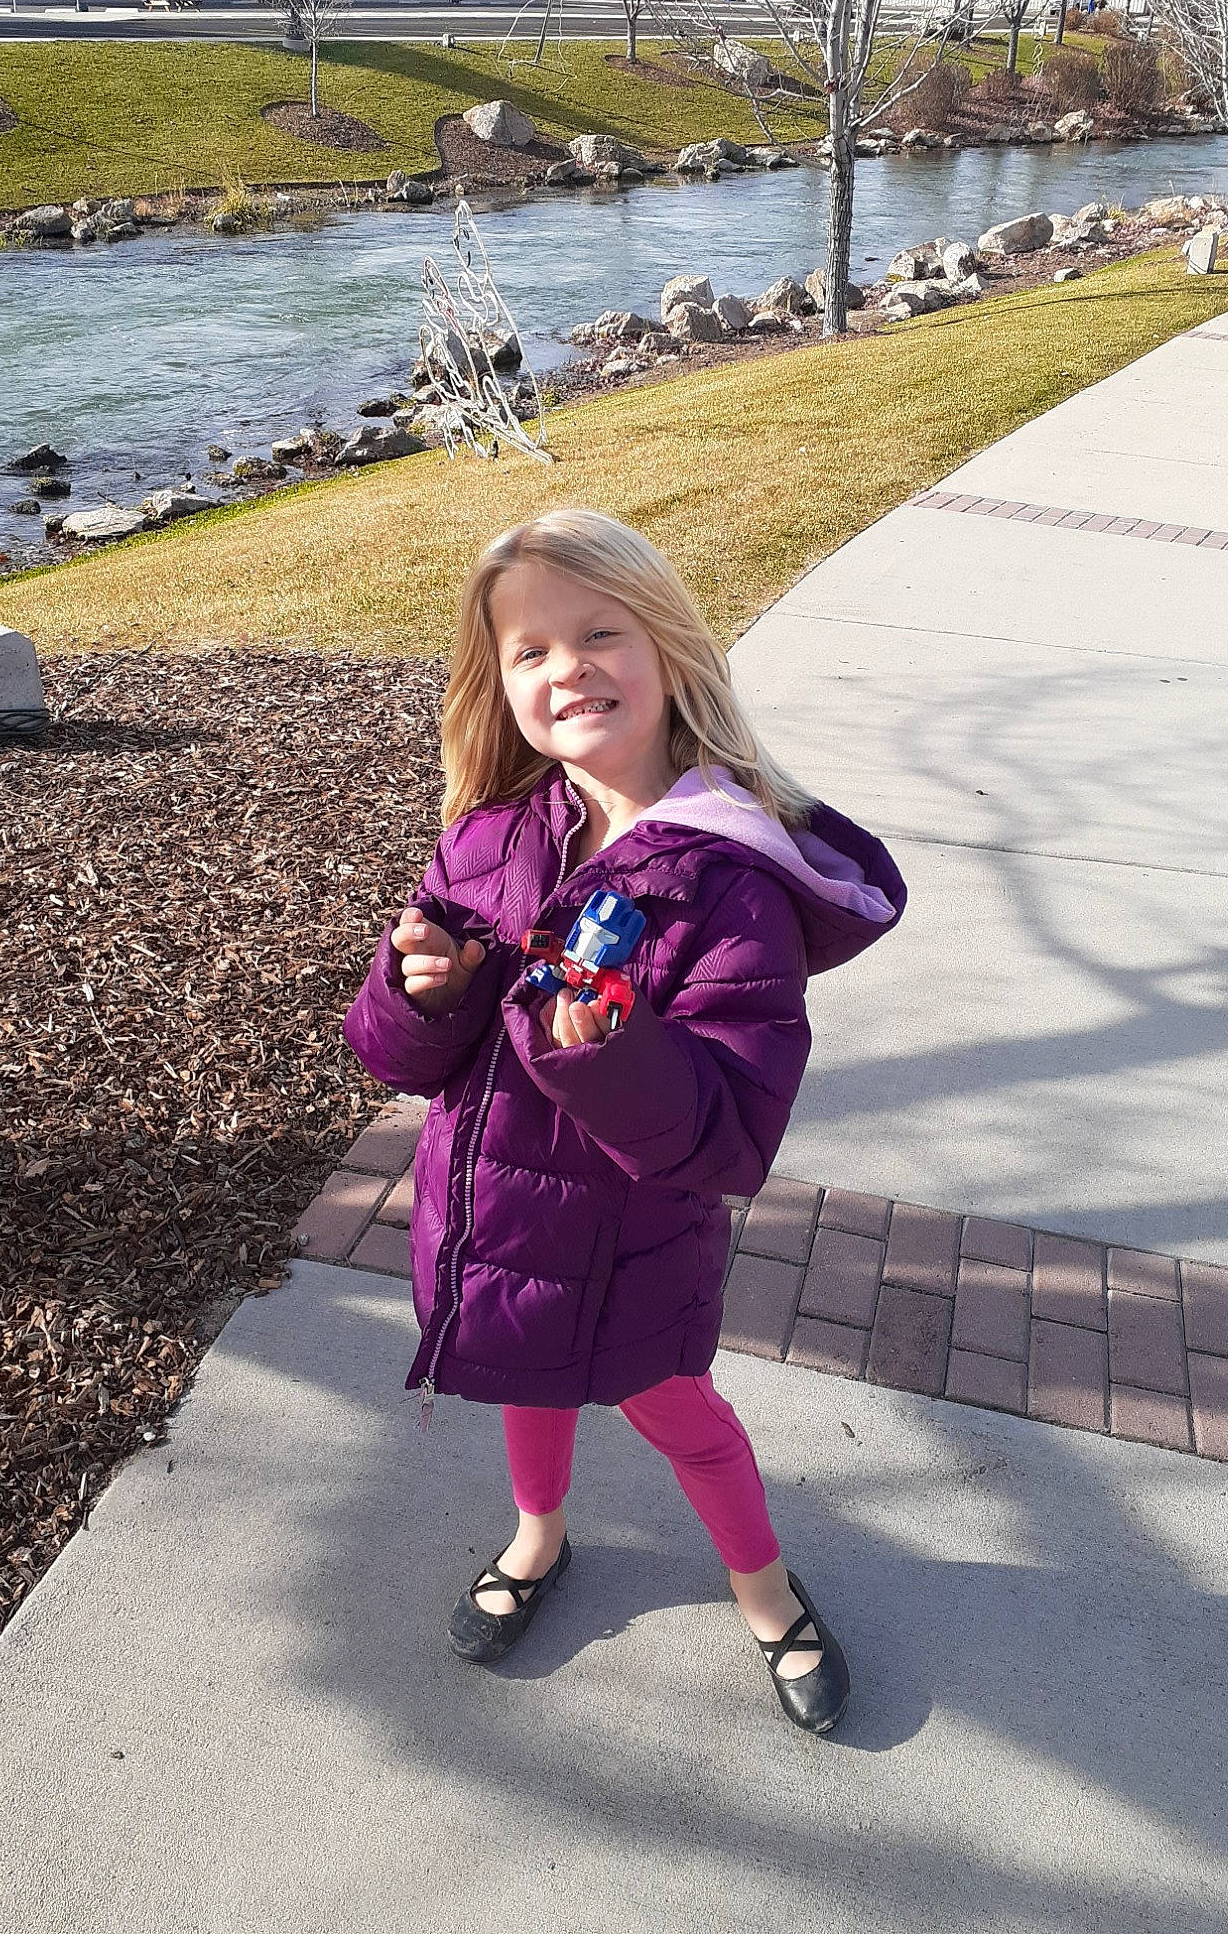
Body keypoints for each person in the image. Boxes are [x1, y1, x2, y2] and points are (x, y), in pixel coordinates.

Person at [342, 508, 905, 1736]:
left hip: (631, 1245)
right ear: (498, 681)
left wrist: (608, 1050)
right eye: (531, 649)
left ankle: (767, 1594)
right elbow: (396, 1055)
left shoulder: (728, 883)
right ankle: (538, 1536)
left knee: (685, 1421)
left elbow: (731, 1140)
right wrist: (421, 989)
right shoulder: (490, 834)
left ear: (670, 648)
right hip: (489, 1219)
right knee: (526, 1385)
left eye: (600, 633)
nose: (568, 668)